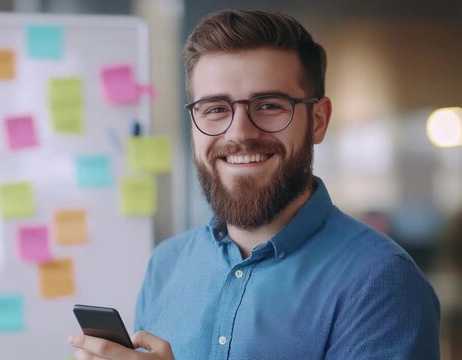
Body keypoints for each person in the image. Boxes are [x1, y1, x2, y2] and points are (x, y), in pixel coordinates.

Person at [69, 9, 440, 360]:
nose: (241, 133)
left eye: (269, 105)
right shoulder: (166, 265)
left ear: (318, 120)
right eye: (215, 109)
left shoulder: (381, 281)